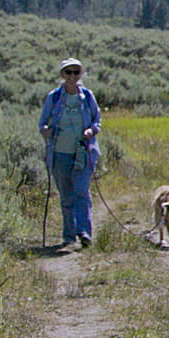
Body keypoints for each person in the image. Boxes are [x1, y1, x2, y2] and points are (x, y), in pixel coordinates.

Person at [38, 58, 101, 248]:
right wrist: (46, 130)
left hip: (84, 152)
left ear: (81, 74)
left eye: (76, 72)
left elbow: (96, 120)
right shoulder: (54, 97)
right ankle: (68, 235)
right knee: (66, 195)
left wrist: (91, 130)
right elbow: (42, 123)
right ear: (63, 75)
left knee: (81, 191)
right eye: (68, 72)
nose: (72, 76)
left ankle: (84, 232)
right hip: (60, 152)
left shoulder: (88, 96)